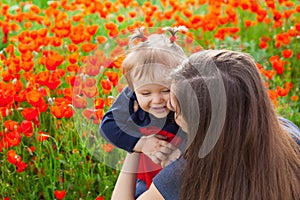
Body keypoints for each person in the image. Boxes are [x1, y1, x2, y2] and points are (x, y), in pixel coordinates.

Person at [111, 49, 300, 200]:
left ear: (200, 123)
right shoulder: (289, 136)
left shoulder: (184, 175)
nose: (167, 107)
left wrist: (136, 143)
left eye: (175, 110)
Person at [99, 26, 187, 197]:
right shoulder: (132, 95)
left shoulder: (186, 103)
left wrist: (181, 155)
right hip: (144, 179)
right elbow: (108, 125)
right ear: (133, 89)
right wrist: (141, 144)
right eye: (146, 93)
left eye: (166, 90)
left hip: (177, 178)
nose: (156, 100)